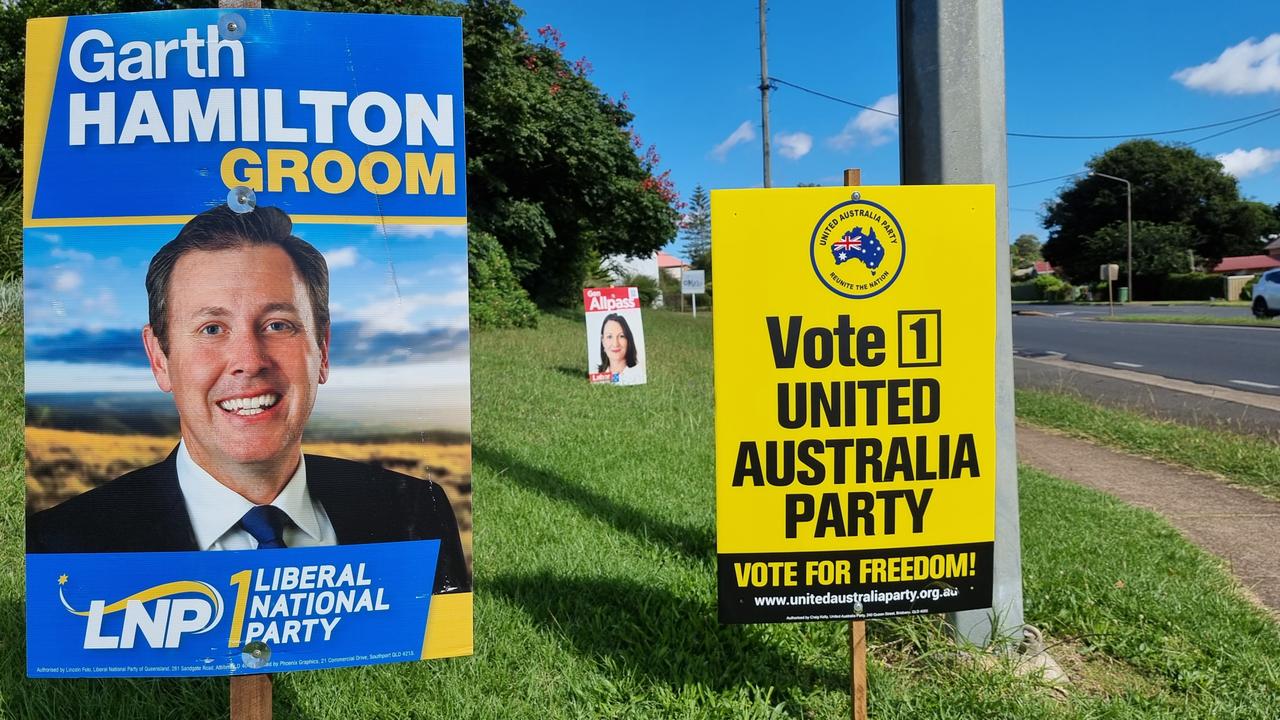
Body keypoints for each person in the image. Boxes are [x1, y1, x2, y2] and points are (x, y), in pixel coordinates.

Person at [25, 205, 469, 594]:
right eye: (211, 329)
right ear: (160, 358)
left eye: (278, 325)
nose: (248, 361)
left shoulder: (418, 512)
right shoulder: (62, 543)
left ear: (323, 350)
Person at [596, 313, 643, 385]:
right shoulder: (596, 375)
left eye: (621, 336)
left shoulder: (639, 376)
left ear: (628, 340)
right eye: (609, 336)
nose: (615, 344)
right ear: (603, 341)